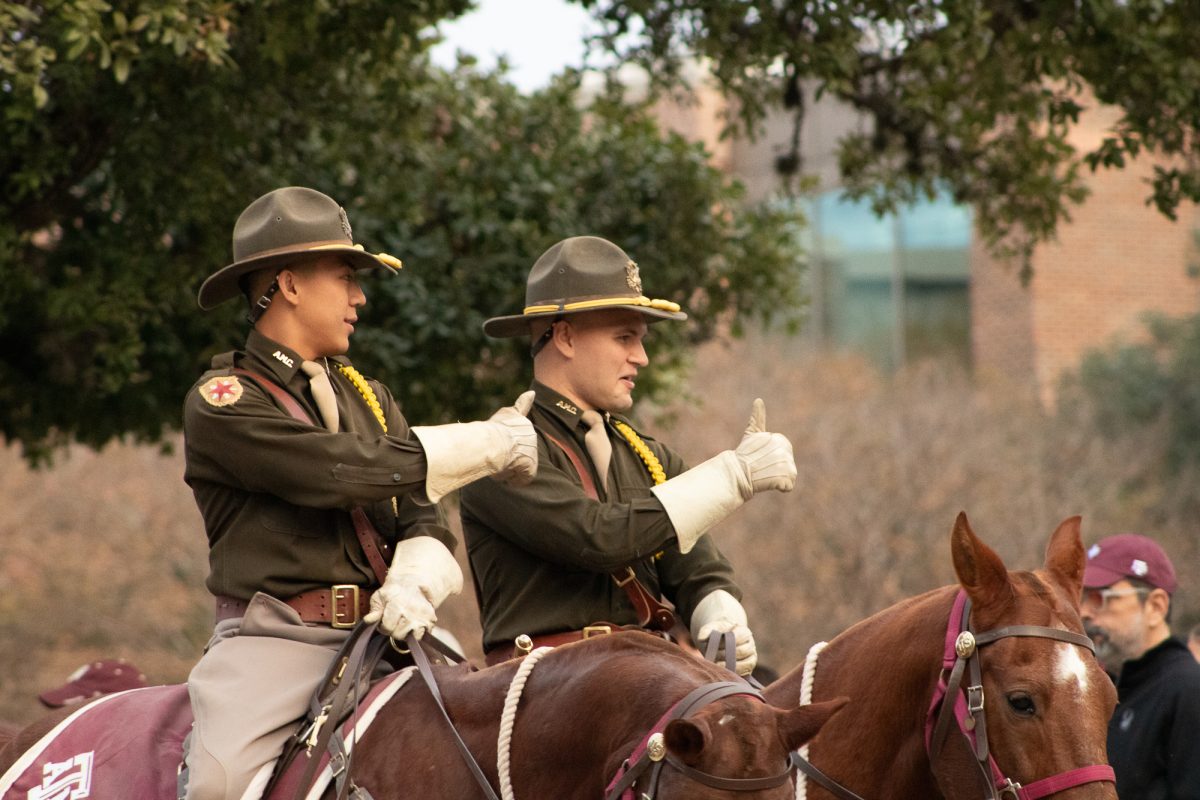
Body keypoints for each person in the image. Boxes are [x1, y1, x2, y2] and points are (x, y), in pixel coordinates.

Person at [182, 186, 537, 800]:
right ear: (289, 285)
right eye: (345, 276)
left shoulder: (370, 397)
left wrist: (414, 580)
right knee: (219, 786)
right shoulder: (225, 400)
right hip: (278, 644)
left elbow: (424, 515)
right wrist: (483, 445)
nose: (359, 297)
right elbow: (333, 470)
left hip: (390, 632)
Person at [460, 235, 797, 676]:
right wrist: (731, 476)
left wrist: (719, 614)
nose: (641, 357)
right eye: (624, 338)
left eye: (639, 340)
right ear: (564, 336)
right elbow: (597, 538)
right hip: (541, 689)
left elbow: (698, 570)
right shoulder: (500, 451)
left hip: (643, 681)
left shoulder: (650, 458)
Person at [1080, 533, 1200, 800]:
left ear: (1156, 606)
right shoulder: (1100, 692)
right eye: (1081, 597)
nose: (1085, 612)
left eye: (1101, 597)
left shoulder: (1189, 690)